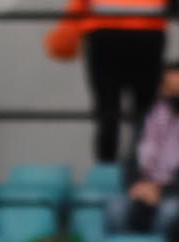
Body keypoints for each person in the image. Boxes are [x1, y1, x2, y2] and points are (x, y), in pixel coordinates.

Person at [103, 63, 179, 242]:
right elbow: (131, 160)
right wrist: (136, 185)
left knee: (170, 211)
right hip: (145, 190)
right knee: (115, 207)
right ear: (162, 89)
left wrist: (165, 190)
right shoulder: (148, 118)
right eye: (172, 89)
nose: (177, 94)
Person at [46, 0, 172, 166]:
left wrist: (67, 31)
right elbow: (174, 8)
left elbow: (79, 5)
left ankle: (108, 170)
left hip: (105, 37)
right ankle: (143, 169)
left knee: (108, 113)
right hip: (147, 35)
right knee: (143, 113)